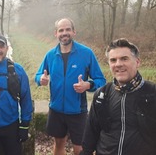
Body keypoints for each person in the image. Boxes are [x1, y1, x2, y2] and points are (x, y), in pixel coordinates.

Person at [34, 18, 106, 155]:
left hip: (78, 112)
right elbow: (38, 75)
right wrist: (41, 79)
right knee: (58, 144)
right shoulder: (50, 55)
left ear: (74, 32)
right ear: (56, 33)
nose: (64, 33)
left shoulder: (86, 53)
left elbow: (101, 80)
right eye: (61, 30)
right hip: (56, 110)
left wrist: (88, 85)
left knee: (80, 149)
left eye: (68, 29)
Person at [81, 38, 156, 155]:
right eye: (113, 60)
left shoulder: (152, 93)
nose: (118, 64)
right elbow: (91, 133)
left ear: (137, 62)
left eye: (124, 59)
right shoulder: (102, 95)